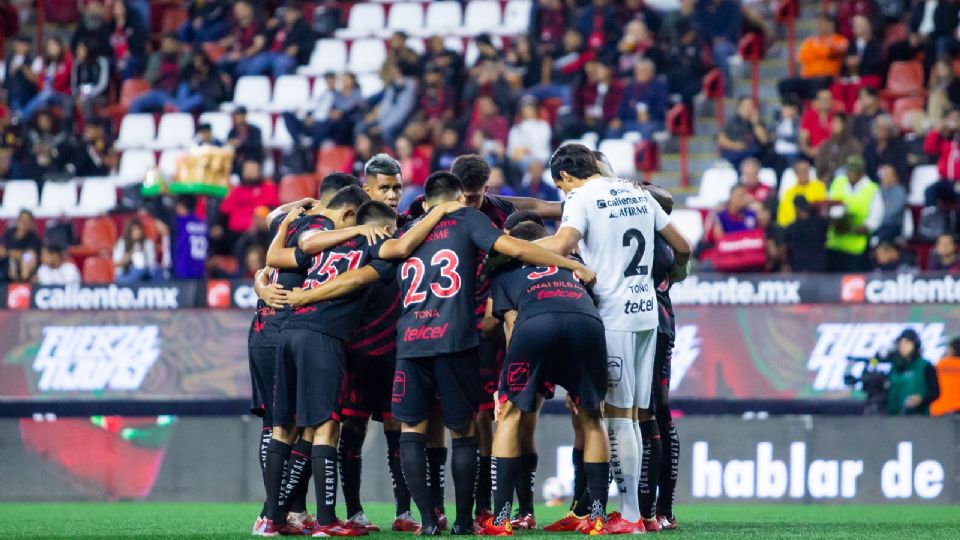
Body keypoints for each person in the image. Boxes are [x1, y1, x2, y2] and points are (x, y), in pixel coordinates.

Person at [375, 172, 596, 536]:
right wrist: (570, 263)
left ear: (426, 201)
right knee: (464, 433)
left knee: (411, 431)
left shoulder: (407, 231)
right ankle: (464, 521)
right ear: (460, 198)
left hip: (411, 342)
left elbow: (380, 268)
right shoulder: (468, 219)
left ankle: (429, 521)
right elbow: (519, 249)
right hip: (455, 341)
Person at [538, 144, 692, 533]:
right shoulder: (636, 191)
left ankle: (630, 517)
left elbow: (561, 245)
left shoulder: (580, 198)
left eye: (560, 186)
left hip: (613, 315)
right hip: (647, 315)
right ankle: (641, 514)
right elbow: (684, 246)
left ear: (565, 178)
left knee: (619, 418)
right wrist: (679, 273)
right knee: (640, 417)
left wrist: (510, 250)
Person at [478, 221, 609, 536]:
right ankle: (597, 518)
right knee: (592, 417)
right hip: (588, 324)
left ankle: (501, 520)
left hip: (536, 326)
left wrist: (508, 386)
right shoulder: (573, 269)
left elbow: (502, 323)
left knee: (509, 415)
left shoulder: (506, 273)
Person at [827, 155, 884, 272]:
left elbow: (875, 218)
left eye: (852, 171)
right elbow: (829, 205)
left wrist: (856, 229)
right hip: (835, 244)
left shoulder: (871, 188)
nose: (848, 173)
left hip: (857, 246)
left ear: (861, 172)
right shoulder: (838, 182)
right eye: (848, 170)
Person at [213, 160, 279, 254]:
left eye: (252, 169)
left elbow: (271, 210)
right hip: (233, 233)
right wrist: (218, 225)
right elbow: (224, 212)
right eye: (247, 169)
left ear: (259, 171)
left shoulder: (267, 188)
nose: (249, 172)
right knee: (215, 237)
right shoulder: (237, 190)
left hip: (257, 232)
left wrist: (257, 224)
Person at [778, 15, 848, 101]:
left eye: (822, 23)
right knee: (784, 84)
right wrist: (821, 53)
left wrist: (816, 52)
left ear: (831, 24)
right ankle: (791, 110)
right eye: (818, 23)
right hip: (807, 77)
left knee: (819, 83)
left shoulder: (840, 39)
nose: (818, 25)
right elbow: (801, 58)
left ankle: (814, 110)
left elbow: (830, 52)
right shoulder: (810, 41)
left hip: (827, 78)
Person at [608, 60, 668, 140]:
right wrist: (618, 118)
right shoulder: (629, 87)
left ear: (651, 72)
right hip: (631, 121)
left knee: (646, 130)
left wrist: (649, 116)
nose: (639, 73)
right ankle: (615, 152)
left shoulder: (659, 87)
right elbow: (622, 106)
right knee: (613, 129)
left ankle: (643, 153)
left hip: (653, 122)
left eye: (643, 71)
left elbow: (661, 108)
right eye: (637, 71)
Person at [887, 329, 941, 416]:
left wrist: (921, 400)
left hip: (918, 416)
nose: (903, 346)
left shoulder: (926, 366)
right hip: (893, 416)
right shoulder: (894, 367)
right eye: (901, 343)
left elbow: (935, 392)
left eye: (907, 343)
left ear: (915, 345)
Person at [717, 97, 769, 170]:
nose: (749, 109)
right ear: (739, 107)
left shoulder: (757, 121)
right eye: (746, 106)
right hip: (735, 152)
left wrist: (756, 123)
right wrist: (735, 146)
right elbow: (721, 139)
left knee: (757, 151)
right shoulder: (731, 121)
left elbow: (764, 140)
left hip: (753, 154)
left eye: (751, 106)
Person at [923, 110, 960, 205]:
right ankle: (932, 217)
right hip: (945, 181)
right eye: (951, 119)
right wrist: (937, 130)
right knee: (930, 191)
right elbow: (929, 148)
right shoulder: (943, 142)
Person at [783, 196, 829, 272]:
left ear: (796, 208)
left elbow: (785, 249)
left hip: (798, 267)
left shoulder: (791, 228)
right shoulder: (821, 223)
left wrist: (785, 263)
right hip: (819, 268)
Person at [778, 157, 827, 227]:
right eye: (801, 171)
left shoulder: (819, 187)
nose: (804, 173)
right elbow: (782, 218)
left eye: (806, 170)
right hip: (792, 228)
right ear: (795, 173)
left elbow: (822, 210)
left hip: (813, 226)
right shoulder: (789, 192)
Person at [815, 113, 862, 183]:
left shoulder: (853, 145)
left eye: (838, 123)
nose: (835, 125)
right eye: (834, 122)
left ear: (845, 125)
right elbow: (819, 165)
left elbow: (855, 166)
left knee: (841, 172)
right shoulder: (825, 145)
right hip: (824, 180)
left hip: (845, 182)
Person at [113, 219, 163, 284]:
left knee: (157, 271)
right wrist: (131, 252)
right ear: (129, 231)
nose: (137, 232)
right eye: (134, 230)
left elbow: (151, 264)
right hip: (125, 275)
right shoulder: (122, 243)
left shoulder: (147, 243)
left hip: (143, 274)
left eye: (139, 229)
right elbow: (116, 263)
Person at [863, 115, 909, 185]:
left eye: (884, 128)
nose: (881, 130)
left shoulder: (899, 146)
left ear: (889, 129)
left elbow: (902, 168)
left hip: (893, 183)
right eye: (878, 127)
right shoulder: (870, 147)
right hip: (872, 183)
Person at [172, 196, 208, 279]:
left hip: (185, 267)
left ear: (181, 206)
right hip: (201, 268)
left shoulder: (181, 221)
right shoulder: (202, 222)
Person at [227, 106, 264, 174]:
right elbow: (229, 145)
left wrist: (241, 143)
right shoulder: (232, 132)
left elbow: (256, 145)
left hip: (251, 159)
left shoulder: (255, 130)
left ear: (245, 116)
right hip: (236, 162)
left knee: (250, 164)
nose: (238, 118)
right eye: (237, 116)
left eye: (241, 116)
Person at [799, 89, 835, 160]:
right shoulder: (809, 116)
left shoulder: (835, 117)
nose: (827, 102)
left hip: (832, 153)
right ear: (816, 101)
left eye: (829, 99)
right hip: (812, 154)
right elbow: (803, 137)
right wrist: (809, 151)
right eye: (824, 99)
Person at [877, 165, 907, 242]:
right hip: (878, 224)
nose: (885, 177)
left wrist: (878, 217)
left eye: (888, 175)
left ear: (894, 176)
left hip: (893, 225)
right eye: (884, 175)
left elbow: (893, 211)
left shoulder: (900, 191)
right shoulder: (877, 190)